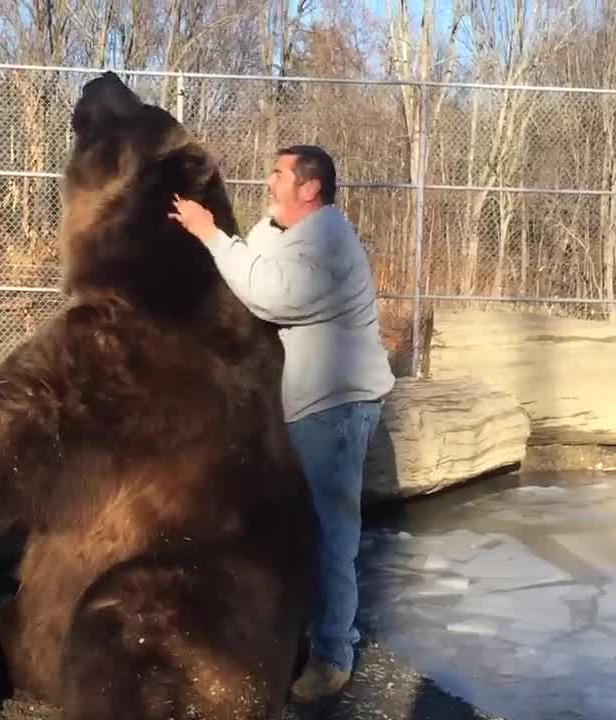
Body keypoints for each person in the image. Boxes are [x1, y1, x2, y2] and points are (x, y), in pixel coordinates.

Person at [169, 145, 395, 702]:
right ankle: (300, 631)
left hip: (337, 410)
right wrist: (237, 227)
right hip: (312, 405)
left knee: (329, 536)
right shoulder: (298, 231)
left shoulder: (327, 247)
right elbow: (259, 252)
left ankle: (333, 656)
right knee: (300, 527)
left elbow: (267, 295)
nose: (267, 182)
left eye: (278, 175)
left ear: (310, 189)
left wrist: (211, 236)